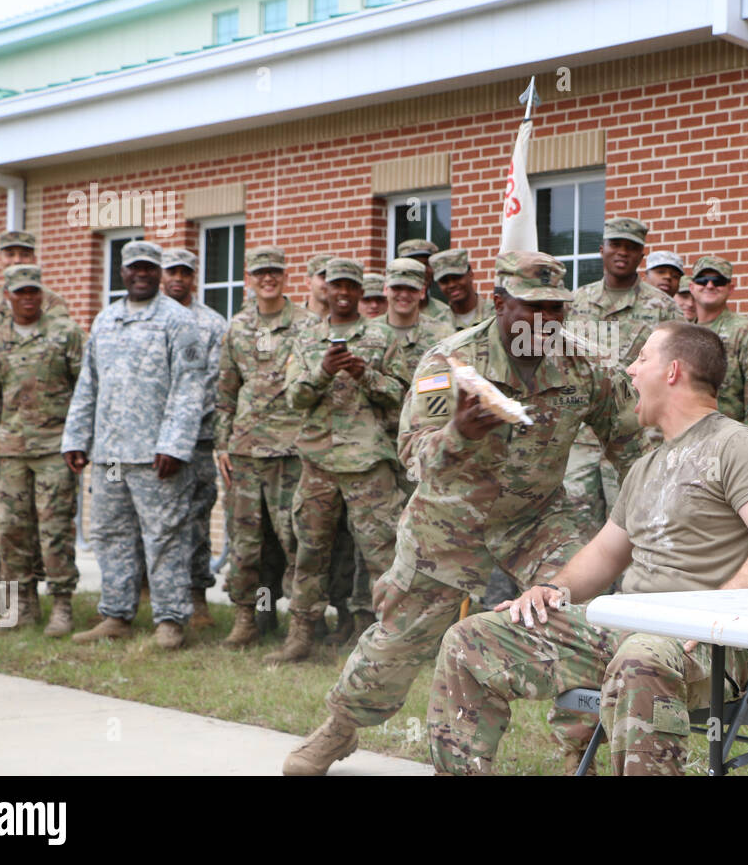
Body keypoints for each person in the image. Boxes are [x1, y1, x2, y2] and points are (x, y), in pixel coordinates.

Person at [280, 251, 643, 775]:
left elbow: (628, 442)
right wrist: (459, 434)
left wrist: (655, 506)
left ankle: (578, 750)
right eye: (531, 307)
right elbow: (413, 455)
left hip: (537, 520)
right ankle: (339, 728)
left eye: (556, 310)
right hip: (449, 521)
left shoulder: (584, 363)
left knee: (581, 621)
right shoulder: (449, 363)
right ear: (498, 303)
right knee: (398, 640)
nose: (545, 322)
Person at [428, 321, 748, 775]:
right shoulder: (647, 465)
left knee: (641, 657)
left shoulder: (739, 446)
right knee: (471, 638)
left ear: (672, 371)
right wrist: (552, 588)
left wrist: (714, 616)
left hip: (706, 643)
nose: (630, 370)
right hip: (625, 627)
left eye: (642, 358)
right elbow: (606, 554)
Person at [264, 258, 409, 665]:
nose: (343, 293)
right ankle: (301, 634)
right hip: (318, 463)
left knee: (383, 554)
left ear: (361, 292)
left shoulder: (382, 337)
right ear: (325, 290)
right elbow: (295, 398)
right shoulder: (306, 339)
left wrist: (367, 375)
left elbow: (402, 394)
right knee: (309, 551)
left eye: (351, 286)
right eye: (336, 286)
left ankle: (391, 639)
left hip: (368, 463)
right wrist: (322, 373)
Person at [61, 241, 206, 649]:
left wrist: (175, 444)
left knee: (165, 536)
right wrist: (76, 437)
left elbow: (190, 387)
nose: (141, 274)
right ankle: (116, 615)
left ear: (159, 273)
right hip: (109, 455)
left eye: (148, 268)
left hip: (156, 456)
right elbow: (88, 385)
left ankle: (171, 620)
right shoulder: (106, 321)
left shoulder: (178, 321)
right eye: (133, 268)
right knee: (110, 534)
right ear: (121, 273)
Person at [0, 265, 85, 636]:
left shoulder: (65, 333)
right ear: (8, 296)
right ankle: (21, 607)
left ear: (42, 293)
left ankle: (62, 605)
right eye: (20, 292)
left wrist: (79, 441)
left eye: (34, 291)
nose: (28, 297)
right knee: (13, 531)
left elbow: (84, 389)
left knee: (54, 530)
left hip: (55, 449)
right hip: (11, 451)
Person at [214, 246, 318, 648]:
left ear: (284, 276)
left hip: (292, 451)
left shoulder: (308, 324)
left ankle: (300, 623)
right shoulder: (237, 327)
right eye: (260, 273)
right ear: (249, 279)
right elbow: (225, 390)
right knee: (245, 542)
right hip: (243, 452)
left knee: (295, 539)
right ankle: (247, 618)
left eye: (274, 272)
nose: (267, 279)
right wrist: (222, 444)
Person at [0, 231, 69, 605]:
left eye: (25, 252)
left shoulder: (55, 305)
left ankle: (38, 592)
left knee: (46, 518)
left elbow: (59, 356)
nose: (17, 258)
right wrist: (9, 371)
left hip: (45, 429)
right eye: (10, 253)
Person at [565, 217, 680, 539]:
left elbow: (679, 370)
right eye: (616, 245)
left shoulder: (663, 308)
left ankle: (632, 592)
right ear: (602, 249)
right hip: (582, 437)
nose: (622, 253)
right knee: (578, 527)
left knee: (637, 526)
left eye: (631, 248)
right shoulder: (575, 304)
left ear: (641, 256)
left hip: (639, 435)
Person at [162, 248, 229, 629]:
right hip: (148, 443)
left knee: (197, 519)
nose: (178, 278)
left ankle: (196, 596)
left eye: (185, 272)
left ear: (194, 277)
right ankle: (145, 591)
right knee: (150, 521)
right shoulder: (148, 319)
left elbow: (221, 386)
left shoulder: (212, 325)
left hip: (199, 441)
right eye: (172, 271)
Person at [688, 256, 748, 437]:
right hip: (687, 444)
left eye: (719, 281)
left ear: (731, 289)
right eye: (702, 280)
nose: (710, 285)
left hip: (728, 445)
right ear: (692, 287)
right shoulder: (682, 333)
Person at [383, 258, 456, 383]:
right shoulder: (368, 333)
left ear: (422, 292)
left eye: (411, 289)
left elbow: (451, 381)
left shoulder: (443, 335)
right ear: (385, 289)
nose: (404, 294)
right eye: (397, 288)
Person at [432, 248, 495, 330]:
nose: (451, 285)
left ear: (470, 274)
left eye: (457, 277)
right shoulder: (436, 325)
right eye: (444, 281)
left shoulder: (496, 314)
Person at [396, 238, 445, 319]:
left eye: (426, 264)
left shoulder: (445, 314)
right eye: (414, 264)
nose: (422, 270)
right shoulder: (383, 309)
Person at [305, 254, 332, 319]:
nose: (328, 283)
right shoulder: (292, 318)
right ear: (308, 282)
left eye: (334, 280)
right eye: (324, 277)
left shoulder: (349, 320)